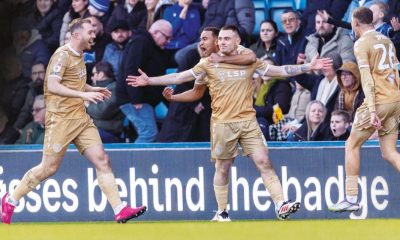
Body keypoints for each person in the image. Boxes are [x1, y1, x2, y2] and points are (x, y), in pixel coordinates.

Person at [160, 25, 332, 221]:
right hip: (223, 123)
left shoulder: (248, 60)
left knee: (264, 161)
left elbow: (280, 70)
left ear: (237, 41)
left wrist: (307, 67)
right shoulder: (208, 64)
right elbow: (178, 77)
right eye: (221, 39)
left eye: (226, 39)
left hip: (248, 122)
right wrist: (150, 81)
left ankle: (281, 204)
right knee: (223, 168)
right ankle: (222, 212)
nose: (222, 42)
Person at [0, 18, 146, 225]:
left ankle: (120, 209)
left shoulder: (80, 56)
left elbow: (75, 82)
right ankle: (10, 200)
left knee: (102, 160)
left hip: (81, 119)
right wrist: (83, 96)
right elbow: (53, 85)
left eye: (94, 31)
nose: (94, 35)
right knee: (48, 168)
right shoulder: (61, 55)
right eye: (90, 32)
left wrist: (91, 89)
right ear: (76, 35)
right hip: (60, 120)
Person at [126, 27, 258, 142]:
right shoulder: (203, 62)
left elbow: (253, 60)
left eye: (205, 39)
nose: (201, 44)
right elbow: (179, 77)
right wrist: (150, 81)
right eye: (201, 40)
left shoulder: (239, 59)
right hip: (203, 115)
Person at [329, 7, 400, 213]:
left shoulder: (361, 44)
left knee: (351, 144)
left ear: (356, 23)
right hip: (395, 99)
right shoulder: (386, 40)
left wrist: (371, 110)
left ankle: (351, 197)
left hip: (378, 101)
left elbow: (367, 79)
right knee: (389, 152)